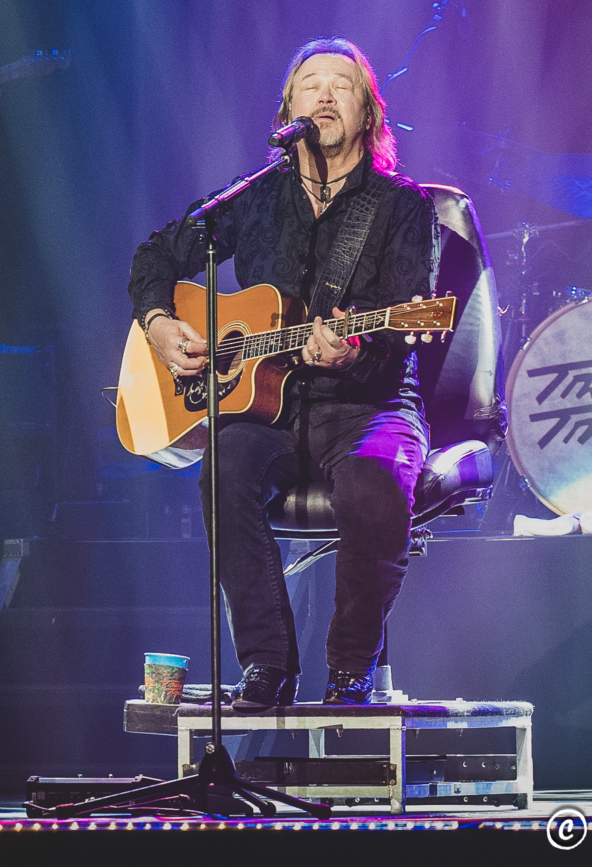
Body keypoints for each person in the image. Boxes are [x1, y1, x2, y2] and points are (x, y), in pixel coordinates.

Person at [128, 38, 439, 707]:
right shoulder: (254, 197)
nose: (324, 95)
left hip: (371, 404)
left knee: (373, 482)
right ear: (287, 109)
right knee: (224, 470)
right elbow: (157, 253)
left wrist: (357, 348)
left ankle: (351, 671)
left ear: (367, 114)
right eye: (310, 84)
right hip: (272, 408)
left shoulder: (401, 206)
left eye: (342, 86)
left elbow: (409, 321)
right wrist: (158, 323)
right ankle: (268, 667)